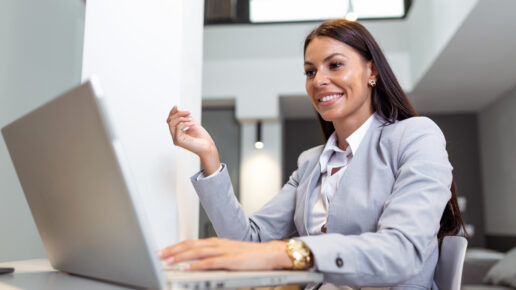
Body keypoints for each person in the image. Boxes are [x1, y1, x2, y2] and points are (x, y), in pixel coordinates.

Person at [161, 19, 466, 289]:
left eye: (334, 65)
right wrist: (210, 158)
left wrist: (287, 252)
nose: (318, 80)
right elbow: (248, 242)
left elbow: (402, 252)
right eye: (310, 71)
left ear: (371, 70)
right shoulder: (310, 163)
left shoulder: (415, 136)